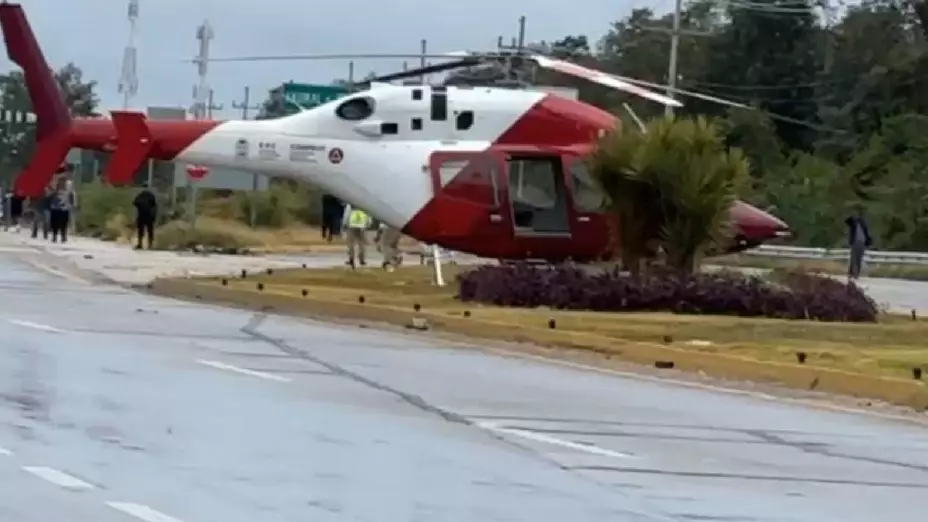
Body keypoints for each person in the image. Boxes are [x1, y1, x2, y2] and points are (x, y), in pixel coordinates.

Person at [845, 208, 872, 281]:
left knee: (858, 259)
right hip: (855, 242)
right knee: (853, 258)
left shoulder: (863, 224)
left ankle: (855, 273)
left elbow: (867, 233)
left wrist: (868, 241)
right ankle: (852, 273)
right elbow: (847, 220)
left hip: (862, 243)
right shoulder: (853, 223)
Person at [341, 204, 371, 269]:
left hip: (352, 226)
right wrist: (368, 224)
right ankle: (362, 259)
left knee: (350, 243)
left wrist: (344, 224)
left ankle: (351, 259)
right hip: (362, 226)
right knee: (362, 244)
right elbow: (368, 215)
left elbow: (346, 215)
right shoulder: (365, 204)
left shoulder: (350, 204)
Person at [48, 177, 75, 243]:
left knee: (64, 223)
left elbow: (71, 198)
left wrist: (72, 205)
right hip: (55, 208)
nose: (62, 183)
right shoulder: (54, 190)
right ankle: (55, 236)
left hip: (64, 209)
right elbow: (49, 197)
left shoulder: (69, 191)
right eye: (60, 182)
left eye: (63, 182)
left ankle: (63, 236)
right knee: (54, 224)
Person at [133, 183, 158, 249]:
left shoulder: (140, 196)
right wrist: (154, 216)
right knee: (149, 231)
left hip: (142, 216)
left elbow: (135, 205)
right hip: (148, 216)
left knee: (142, 231)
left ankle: (141, 244)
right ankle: (149, 245)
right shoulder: (150, 195)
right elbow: (154, 206)